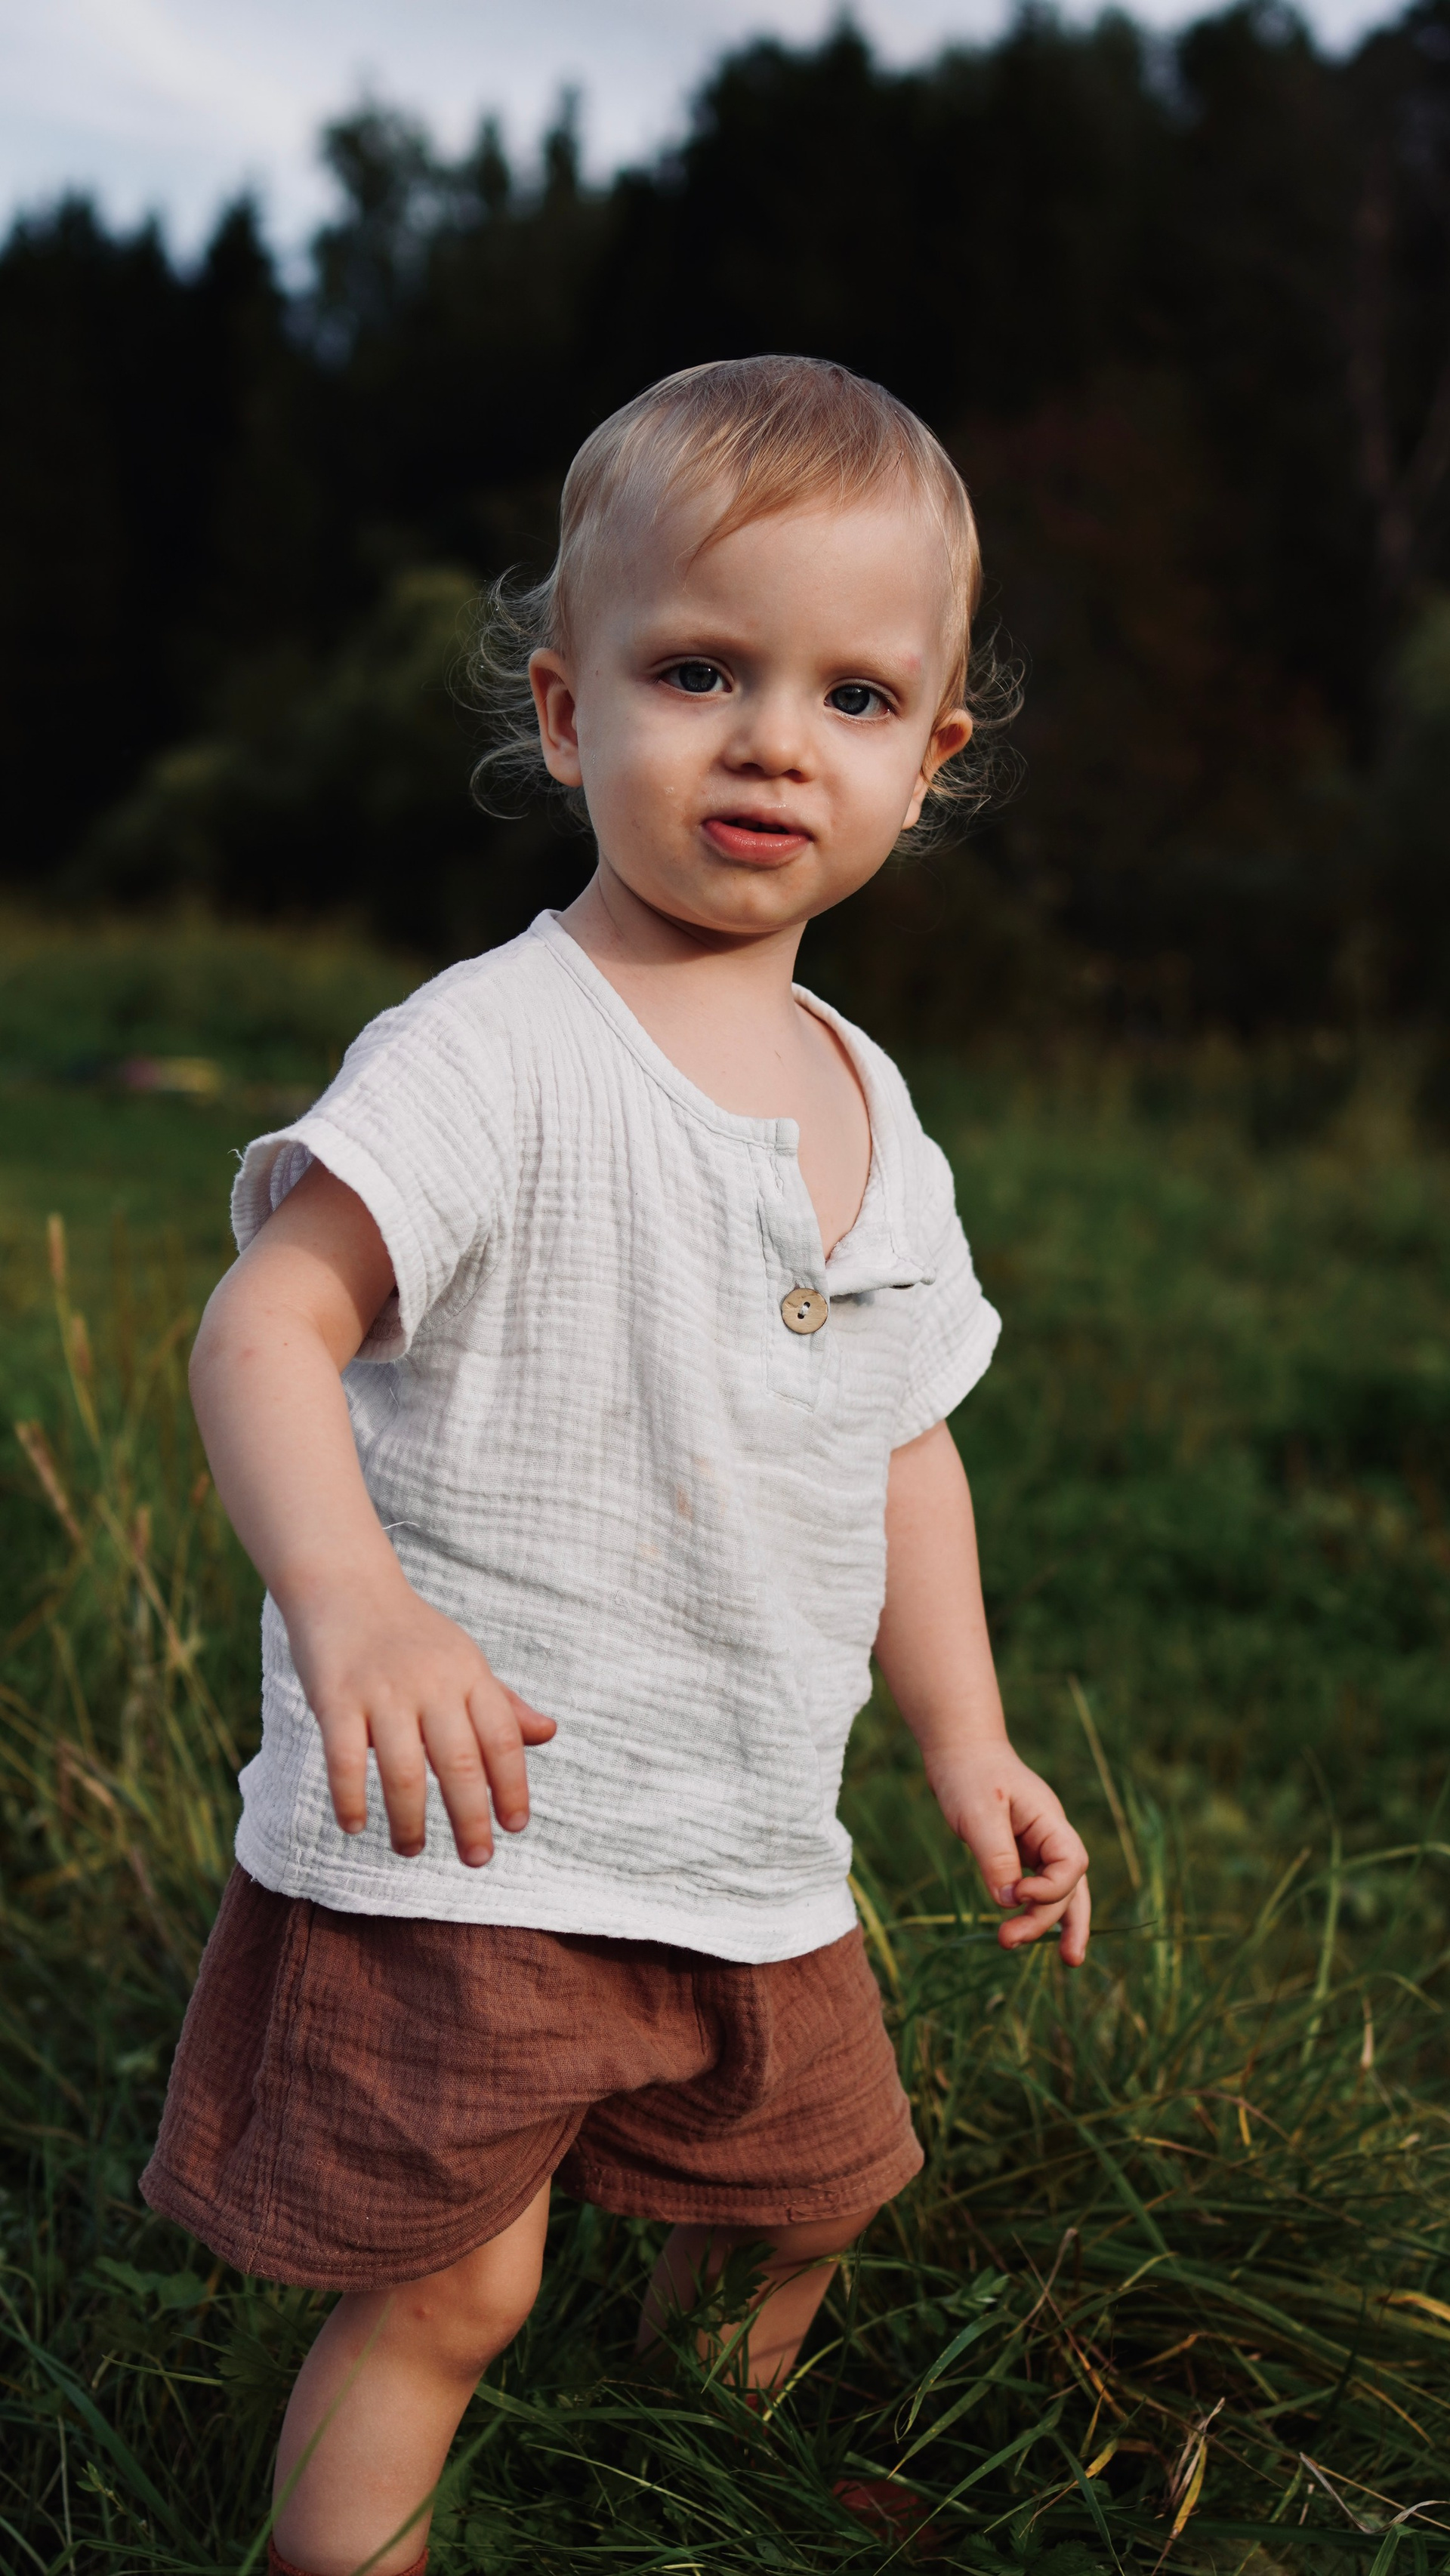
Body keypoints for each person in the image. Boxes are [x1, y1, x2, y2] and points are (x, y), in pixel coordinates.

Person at [141, 354, 1091, 2576]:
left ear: (931, 759)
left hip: (743, 1833)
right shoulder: (494, 1047)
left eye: (854, 696)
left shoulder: (876, 1106)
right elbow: (264, 1323)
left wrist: (966, 1739)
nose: (772, 739)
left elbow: (906, 1444)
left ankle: (683, 2469)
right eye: (698, 672)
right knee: (455, 2285)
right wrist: (357, 1605)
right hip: (478, 1827)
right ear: (570, 715)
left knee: (803, 2199)